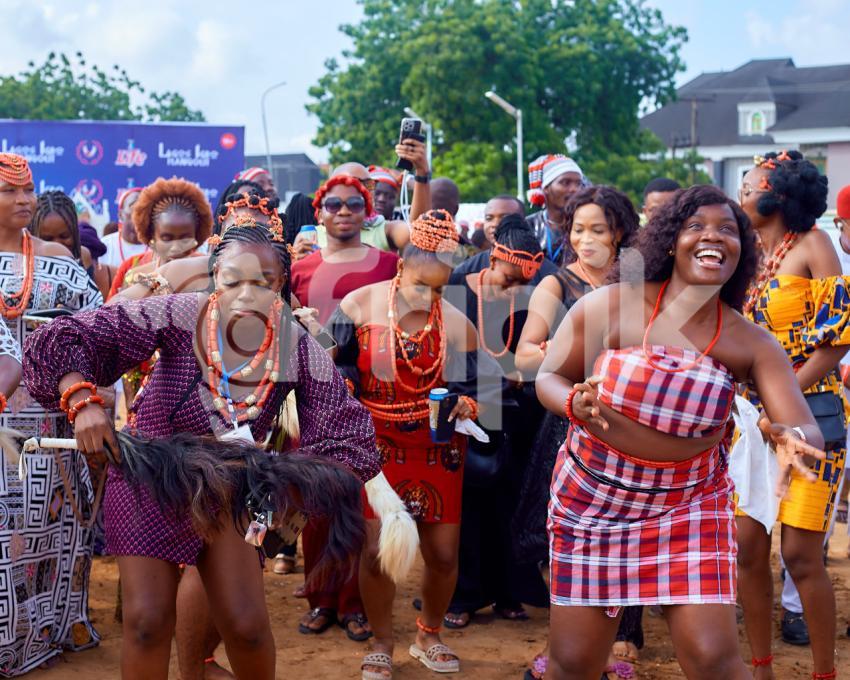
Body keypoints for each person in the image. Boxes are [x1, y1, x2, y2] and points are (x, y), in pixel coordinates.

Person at [23, 221, 381, 680]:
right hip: (151, 478)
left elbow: (347, 434)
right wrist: (82, 401)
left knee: (248, 627)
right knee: (148, 623)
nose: (247, 293)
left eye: (264, 282)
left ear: (282, 285)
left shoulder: (295, 344)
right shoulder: (178, 313)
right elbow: (67, 337)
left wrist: (288, 482)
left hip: (232, 489)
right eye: (233, 280)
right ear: (215, 278)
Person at [537, 183, 827, 680]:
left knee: (714, 659)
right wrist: (572, 401)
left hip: (689, 507)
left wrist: (793, 437)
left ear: (743, 250)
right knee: (574, 664)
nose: (712, 237)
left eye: (728, 230)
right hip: (594, 503)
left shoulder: (750, 340)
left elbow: (802, 422)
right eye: (696, 226)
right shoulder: (612, 305)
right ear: (671, 240)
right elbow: (549, 375)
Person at [330, 209, 500, 679]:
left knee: (443, 554)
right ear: (401, 266)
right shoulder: (357, 304)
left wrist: (468, 404)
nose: (431, 297)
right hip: (376, 448)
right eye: (422, 285)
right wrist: (343, 382)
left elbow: (486, 387)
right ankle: (382, 640)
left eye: (442, 288)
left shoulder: (457, 323)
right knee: (377, 552)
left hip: (440, 451)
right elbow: (330, 362)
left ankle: (429, 634)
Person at [513, 185, 640, 680]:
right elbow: (523, 357)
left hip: (630, 425)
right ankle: (570, 641)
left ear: (620, 233)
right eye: (577, 229)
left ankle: (623, 635)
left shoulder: (641, 284)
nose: (585, 240)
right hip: (567, 420)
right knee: (556, 539)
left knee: (627, 533)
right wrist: (563, 356)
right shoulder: (556, 284)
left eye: (598, 230)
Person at [736, 150, 844, 679]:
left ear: (778, 194)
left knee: (801, 557)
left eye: (751, 183)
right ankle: (761, 670)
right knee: (747, 551)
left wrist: (781, 401)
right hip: (748, 425)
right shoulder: (740, 252)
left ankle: (824, 672)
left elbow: (837, 341)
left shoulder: (815, 245)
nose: (742, 191)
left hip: (810, 416)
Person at [0, 153, 103, 675]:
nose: (24, 200)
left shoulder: (59, 262)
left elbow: (98, 330)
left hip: (52, 430)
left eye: (28, 190)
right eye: (9, 191)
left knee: (50, 534)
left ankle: (50, 629)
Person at [438, 216, 548, 629]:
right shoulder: (455, 288)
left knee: (511, 505)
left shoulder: (536, 294)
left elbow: (541, 350)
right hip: (469, 407)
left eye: (523, 279)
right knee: (467, 506)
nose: (514, 286)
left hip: (519, 412)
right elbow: (448, 350)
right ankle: (464, 596)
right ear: (493, 256)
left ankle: (508, 593)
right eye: (509, 276)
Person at [108, 177, 213, 300]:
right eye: (167, 238)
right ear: (152, 237)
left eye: (185, 239)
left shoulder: (210, 275)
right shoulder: (135, 278)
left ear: (196, 237)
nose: (176, 247)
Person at [29, 190, 112, 298]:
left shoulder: (84, 256)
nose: (57, 244)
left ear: (75, 233)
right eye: (47, 239)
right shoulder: (25, 262)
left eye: (64, 236)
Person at [525, 155, 586, 263]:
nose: (575, 189)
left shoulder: (588, 226)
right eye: (565, 182)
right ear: (546, 188)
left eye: (579, 184)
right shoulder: (528, 226)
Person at [101, 187, 146, 268]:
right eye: (133, 205)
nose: (139, 210)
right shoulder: (104, 246)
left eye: (144, 207)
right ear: (121, 215)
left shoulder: (158, 246)